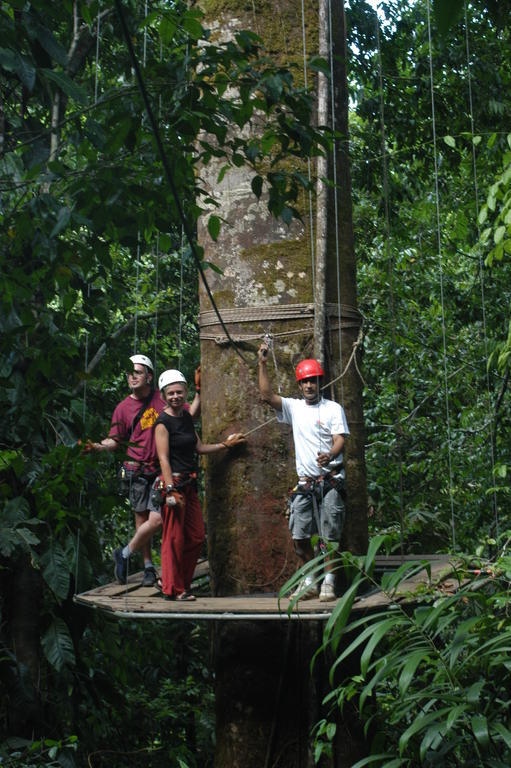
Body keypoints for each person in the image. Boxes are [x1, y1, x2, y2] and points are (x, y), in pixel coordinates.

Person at [84, 354, 200, 586]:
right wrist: (95, 447)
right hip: (135, 469)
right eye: (130, 373)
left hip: (160, 469)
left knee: (156, 520)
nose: (132, 377)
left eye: (137, 372)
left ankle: (125, 553)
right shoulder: (123, 409)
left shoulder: (163, 397)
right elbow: (115, 440)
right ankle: (148, 567)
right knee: (142, 518)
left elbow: (188, 415)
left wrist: (199, 391)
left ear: (149, 376)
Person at [257, 342, 349, 601]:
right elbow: (266, 396)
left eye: (313, 381)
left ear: (320, 382)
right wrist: (262, 363)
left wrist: (330, 453)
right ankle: (310, 579)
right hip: (305, 484)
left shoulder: (332, 409)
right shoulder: (294, 408)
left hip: (330, 481)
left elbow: (340, 438)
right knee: (299, 537)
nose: (309, 386)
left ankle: (329, 582)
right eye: (305, 382)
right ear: (299, 385)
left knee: (328, 538)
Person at [154, 369, 245, 600]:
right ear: (164, 395)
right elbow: (163, 458)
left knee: (195, 536)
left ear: (184, 392)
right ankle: (172, 589)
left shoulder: (184, 418)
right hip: (173, 484)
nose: (175, 396)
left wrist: (226, 445)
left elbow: (199, 448)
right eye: (171, 393)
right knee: (173, 538)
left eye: (179, 392)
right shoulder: (162, 423)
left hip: (189, 484)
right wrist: (169, 489)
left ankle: (181, 583)